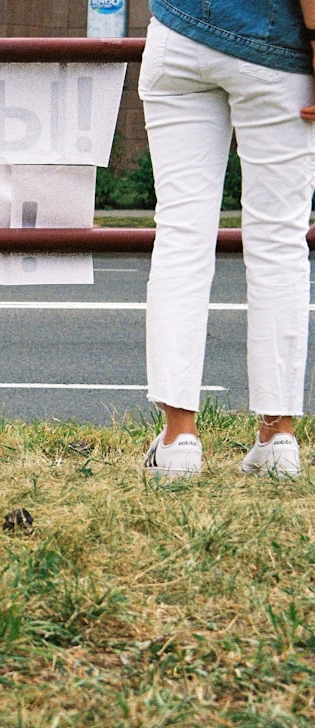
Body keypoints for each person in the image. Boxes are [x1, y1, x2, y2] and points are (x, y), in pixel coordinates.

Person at [139, 0, 315, 477]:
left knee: (180, 235)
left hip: (179, 32)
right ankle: (278, 437)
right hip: (276, 47)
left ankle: (179, 439)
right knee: (280, 241)